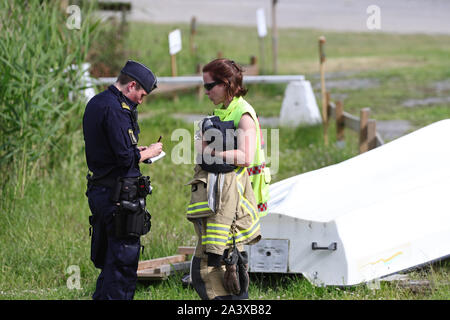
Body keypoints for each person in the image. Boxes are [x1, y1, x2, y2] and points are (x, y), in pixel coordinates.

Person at [187, 58, 270, 300]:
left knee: (225, 264)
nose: (206, 92)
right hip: (224, 197)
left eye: (209, 86)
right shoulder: (222, 111)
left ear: (226, 84)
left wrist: (210, 154)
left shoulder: (243, 113)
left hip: (239, 200)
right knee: (218, 265)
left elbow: (244, 156)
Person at [83, 60, 163, 300]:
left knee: (110, 258)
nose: (141, 99)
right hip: (119, 197)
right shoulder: (118, 109)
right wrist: (151, 152)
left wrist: (136, 150)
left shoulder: (96, 102)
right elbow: (124, 157)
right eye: (141, 93)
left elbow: (110, 148)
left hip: (100, 189)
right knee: (123, 264)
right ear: (132, 85)